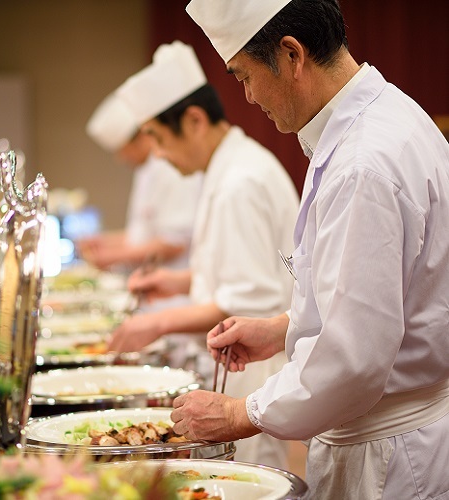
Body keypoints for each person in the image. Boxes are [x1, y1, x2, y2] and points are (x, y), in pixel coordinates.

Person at [171, 0, 449, 498]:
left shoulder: (364, 162)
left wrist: (240, 411)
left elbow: (355, 360)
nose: (249, 98)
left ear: (292, 56)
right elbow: (389, 299)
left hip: (390, 457)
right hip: (396, 436)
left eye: (245, 78)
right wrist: (284, 329)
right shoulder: (387, 115)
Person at [110, 40, 300, 468]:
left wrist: (155, 323)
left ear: (194, 121)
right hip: (238, 369)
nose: (156, 154)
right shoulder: (227, 167)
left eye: (157, 139)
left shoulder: (240, 181)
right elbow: (235, 267)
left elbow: (247, 300)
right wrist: (177, 282)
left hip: (252, 375)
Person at [78, 87, 203, 272]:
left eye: (121, 150)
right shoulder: (145, 169)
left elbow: (175, 241)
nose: (121, 158)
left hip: (173, 287)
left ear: (142, 136)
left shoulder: (171, 165)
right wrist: (105, 243)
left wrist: (112, 257)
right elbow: (142, 234)